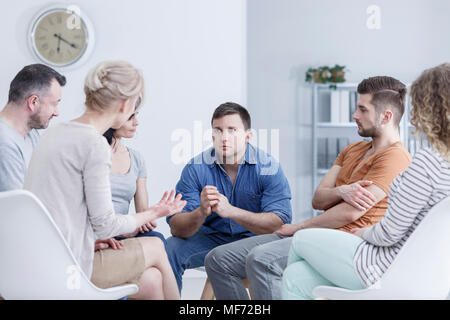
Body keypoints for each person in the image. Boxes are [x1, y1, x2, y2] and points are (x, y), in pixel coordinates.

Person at [205, 76, 412, 300]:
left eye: (362, 109)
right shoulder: (352, 150)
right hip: (316, 233)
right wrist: (342, 191)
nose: (355, 115)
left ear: (386, 116)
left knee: (261, 259)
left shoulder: (395, 158)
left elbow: (351, 212)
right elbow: (318, 199)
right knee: (217, 260)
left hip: (345, 245)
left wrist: (299, 227)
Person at [282, 63, 450, 300]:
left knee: (300, 239)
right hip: (426, 277)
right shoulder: (442, 163)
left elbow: (389, 234)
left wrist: (363, 233)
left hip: (383, 267)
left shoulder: (427, 163)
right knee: (295, 277)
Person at [24, 60, 184, 300]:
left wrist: (89, 239)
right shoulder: (94, 143)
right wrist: (155, 212)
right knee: (157, 247)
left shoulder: (54, 132)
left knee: (152, 281)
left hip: (40, 262)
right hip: (70, 268)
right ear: (124, 104)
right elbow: (106, 225)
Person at [166, 102, 293, 291]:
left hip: (254, 241)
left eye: (232, 130)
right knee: (169, 250)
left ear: (248, 136)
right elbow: (177, 229)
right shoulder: (195, 169)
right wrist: (201, 212)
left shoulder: (268, 167)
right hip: (212, 239)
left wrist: (232, 212)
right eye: (218, 130)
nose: (224, 137)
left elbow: (278, 224)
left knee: (226, 258)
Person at [103, 109, 167, 246]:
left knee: (157, 239)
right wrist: (122, 229)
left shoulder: (136, 159)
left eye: (136, 116)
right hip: (100, 232)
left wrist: (150, 215)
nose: (136, 122)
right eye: (130, 117)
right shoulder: (94, 153)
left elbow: (142, 211)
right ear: (113, 118)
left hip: (124, 231)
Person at [0, 64, 65, 191]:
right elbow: (18, 206)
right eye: (54, 104)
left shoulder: (31, 133)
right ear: (33, 102)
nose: (56, 112)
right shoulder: (5, 145)